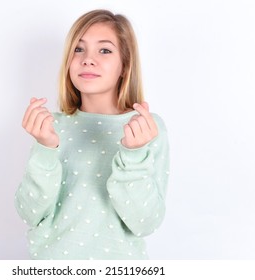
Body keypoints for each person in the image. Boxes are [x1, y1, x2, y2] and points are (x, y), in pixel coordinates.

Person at [15, 9, 170, 260]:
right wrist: (45, 150)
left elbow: (145, 223)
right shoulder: (52, 126)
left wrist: (133, 155)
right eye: (78, 49)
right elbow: (29, 213)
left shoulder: (147, 128)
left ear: (125, 65)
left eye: (105, 50)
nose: (88, 59)